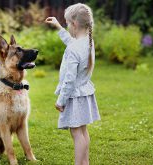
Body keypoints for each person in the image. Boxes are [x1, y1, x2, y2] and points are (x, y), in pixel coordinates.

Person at [45, 3, 101, 165]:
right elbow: (71, 42)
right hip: (84, 94)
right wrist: (59, 27)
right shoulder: (88, 42)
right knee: (83, 131)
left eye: (68, 23)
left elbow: (69, 80)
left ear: (75, 24)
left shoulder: (74, 49)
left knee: (76, 133)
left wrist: (61, 101)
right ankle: (85, 162)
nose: (68, 26)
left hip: (74, 97)